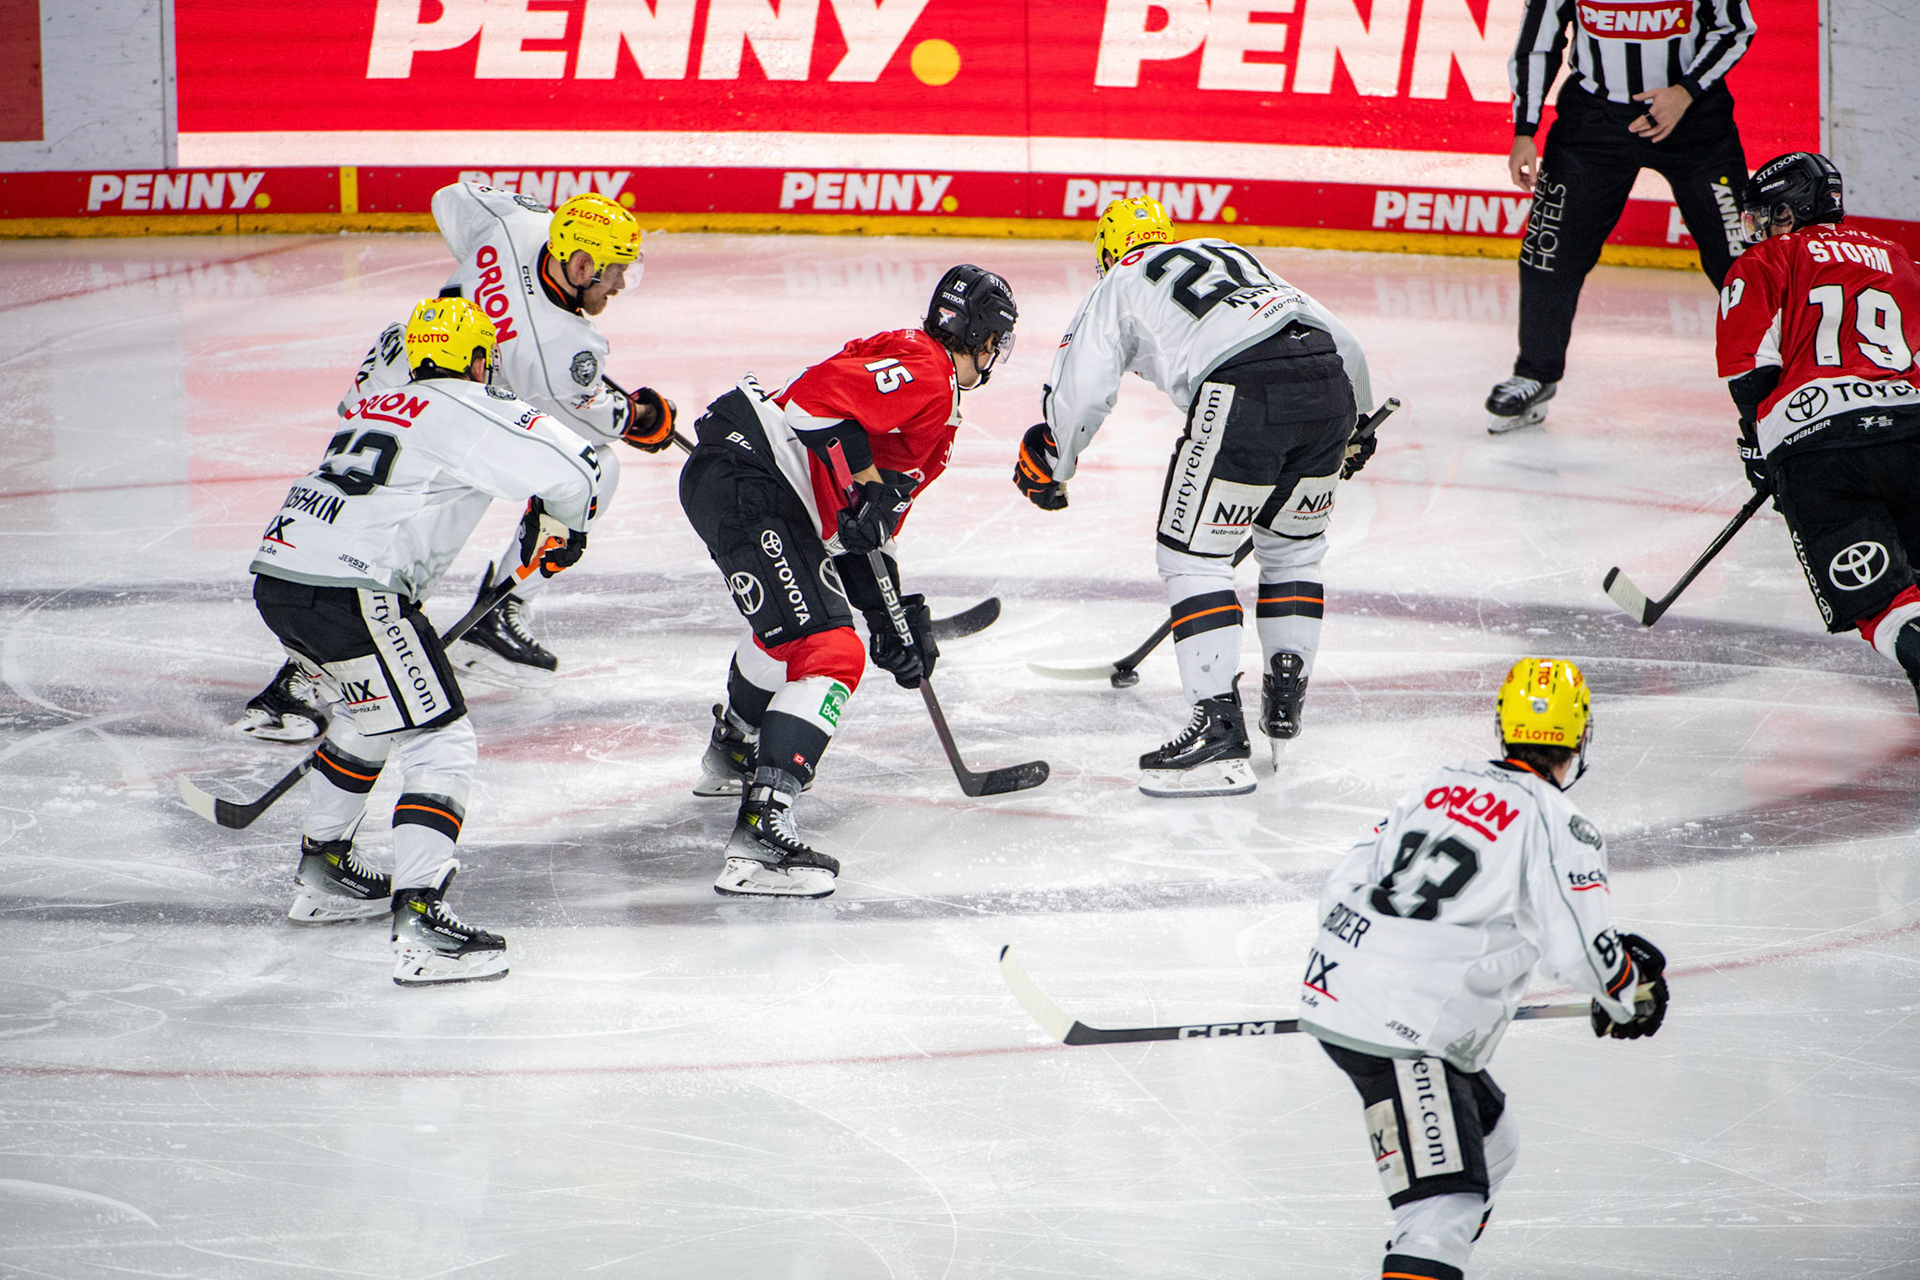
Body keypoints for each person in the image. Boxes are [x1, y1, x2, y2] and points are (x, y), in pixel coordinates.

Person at [248, 295, 600, 984]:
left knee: (368, 718)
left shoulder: (381, 403)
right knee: (440, 738)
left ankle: (325, 873)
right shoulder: (463, 402)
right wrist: (562, 529)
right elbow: (578, 466)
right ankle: (421, 922)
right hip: (353, 590)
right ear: (476, 358)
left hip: (280, 579)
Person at [232, 185, 670, 737]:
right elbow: (586, 432)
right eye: (613, 271)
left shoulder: (516, 225)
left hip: (397, 375)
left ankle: (311, 670)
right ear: (581, 263)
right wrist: (638, 419)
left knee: (357, 521)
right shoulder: (558, 346)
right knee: (407, 555)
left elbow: (450, 196)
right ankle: (327, 672)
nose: (621, 284)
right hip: (455, 416)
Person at [1300, 657, 1668, 1280]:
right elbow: (1578, 947)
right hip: (1407, 1031)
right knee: (1444, 1206)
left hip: (1344, 988)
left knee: (1494, 1145)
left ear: (1504, 725)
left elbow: (1344, 881)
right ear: (1580, 737)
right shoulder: (1558, 823)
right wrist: (1627, 990)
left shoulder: (1438, 783)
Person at [1013, 196, 1377, 798]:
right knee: (1292, 555)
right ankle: (1283, 705)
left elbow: (1082, 386)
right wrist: (1357, 422)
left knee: (1193, 559)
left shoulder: (1122, 279)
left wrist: (1055, 459)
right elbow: (1344, 340)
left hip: (1244, 391)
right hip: (1328, 388)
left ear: (1108, 249)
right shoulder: (1232, 255)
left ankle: (1219, 734)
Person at [679, 265, 1017, 898]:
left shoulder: (927, 393)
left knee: (791, 631)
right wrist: (864, 483)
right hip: (755, 478)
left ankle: (734, 748)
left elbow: (858, 532)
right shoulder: (928, 370)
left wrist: (893, 615)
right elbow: (809, 403)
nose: (996, 354)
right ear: (977, 335)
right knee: (831, 650)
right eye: (996, 338)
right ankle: (760, 838)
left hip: (752, 484)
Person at [1486, 0, 1755, 433]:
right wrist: (1524, 130)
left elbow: (1736, 28)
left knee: (1742, 261)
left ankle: (1776, 388)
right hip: (1593, 122)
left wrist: (1684, 92)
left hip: (1697, 123)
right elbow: (1537, 44)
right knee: (1547, 250)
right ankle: (1535, 373)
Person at [1716, 152, 1920, 706]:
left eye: (1766, 214)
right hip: (1911, 430)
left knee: (1887, 608)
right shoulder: (1898, 257)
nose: (1759, 228)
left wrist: (1759, 450)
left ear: (1791, 209)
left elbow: (1749, 370)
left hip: (1819, 453)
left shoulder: (1764, 262)